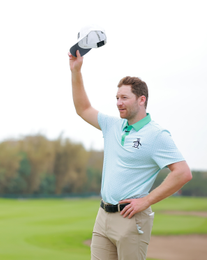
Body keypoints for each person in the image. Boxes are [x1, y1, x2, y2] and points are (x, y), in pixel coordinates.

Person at [68, 50, 192, 260]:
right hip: (103, 216)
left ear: (141, 99)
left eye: (124, 98)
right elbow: (83, 108)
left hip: (131, 218)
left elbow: (182, 173)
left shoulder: (156, 135)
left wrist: (146, 201)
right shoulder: (112, 125)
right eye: (117, 98)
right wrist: (76, 71)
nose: (118, 103)